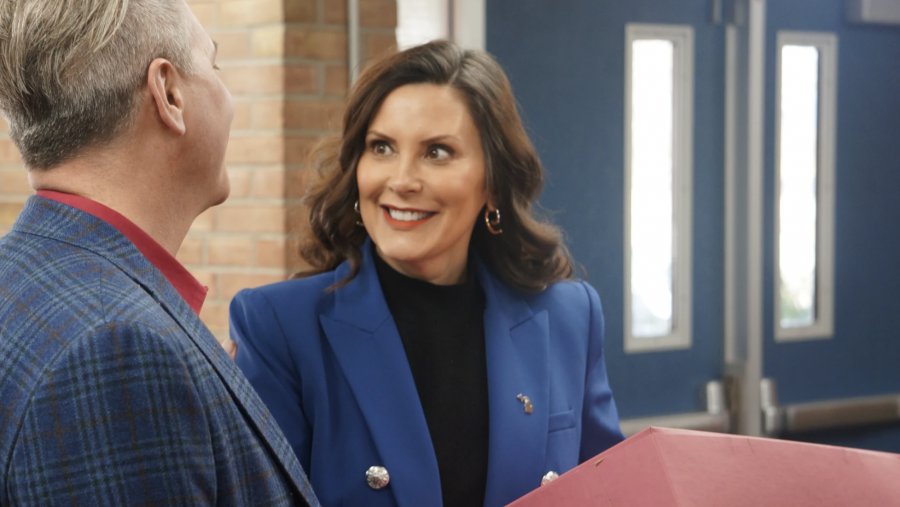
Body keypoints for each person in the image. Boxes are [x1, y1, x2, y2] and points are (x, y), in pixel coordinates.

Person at [231, 41, 623, 507]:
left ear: (493, 184)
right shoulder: (278, 326)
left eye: (437, 152)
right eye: (382, 148)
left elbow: (614, 490)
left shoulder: (571, 316)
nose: (401, 180)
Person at [0, 1, 318, 505]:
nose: (226, 95)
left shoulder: (25, 278)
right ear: (169, 93)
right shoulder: (114, 347)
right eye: (212, 65)